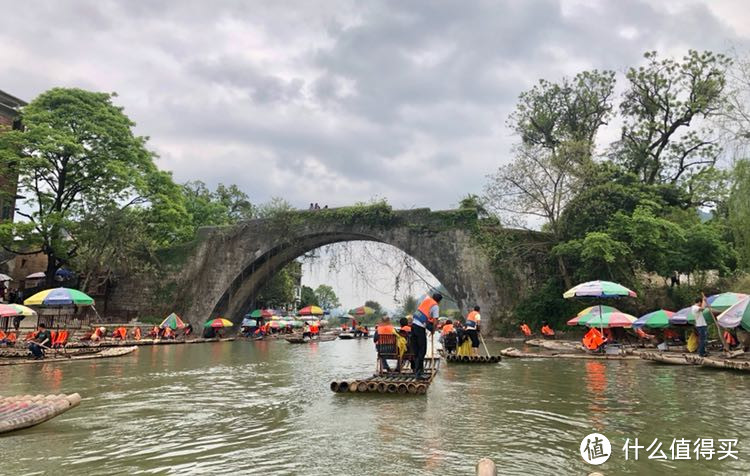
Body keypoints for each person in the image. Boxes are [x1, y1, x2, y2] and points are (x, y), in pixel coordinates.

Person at [411, 292, 442, 379]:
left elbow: (425, 315)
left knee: (417, 351)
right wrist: (433, 330)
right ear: (439, 301)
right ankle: (419, 374)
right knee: (422, 351)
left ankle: (418, 370)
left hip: (413, 326)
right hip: (420, 328)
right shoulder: (435, 306)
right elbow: (435, 321)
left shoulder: (426, 300)